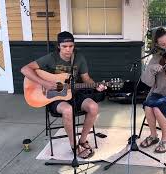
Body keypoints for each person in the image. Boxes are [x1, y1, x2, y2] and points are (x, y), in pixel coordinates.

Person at [21, 31, 106, 159]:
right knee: (67, 110)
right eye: (64, 46)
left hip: (74, 93)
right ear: (59, 46)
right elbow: (25, 69)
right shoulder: (51, 58)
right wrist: (45, 82)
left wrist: (96, 85)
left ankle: (82, 140)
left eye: (71, 46)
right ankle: (74, 146)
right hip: (55, 97)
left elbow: (86, 78)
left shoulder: (79, 58)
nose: (68, 50)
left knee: (93, 107)